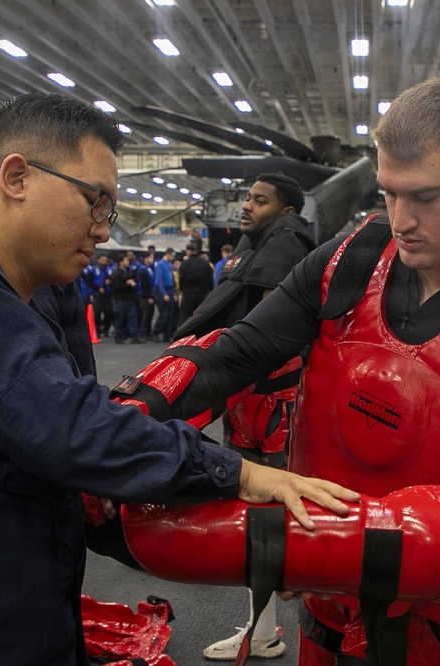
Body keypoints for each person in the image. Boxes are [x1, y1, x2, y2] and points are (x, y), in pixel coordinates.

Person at [112, 76, 440, 665]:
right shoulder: (345, 266)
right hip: (324, 590)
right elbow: (233, 356)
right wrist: (120, 423)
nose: (401, 219)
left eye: (424, 197)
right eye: (388, 193)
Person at [0, 92, 359, 666]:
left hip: (31, 618)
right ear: (16, 178)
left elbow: (83, 472)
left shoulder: (42, 299)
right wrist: (240, 474)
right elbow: (69, 430)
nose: (104, 231)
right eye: (96, 202)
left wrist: (276, 549)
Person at [174, 171, 316, 661]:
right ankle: (264, 630)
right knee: (257, 515)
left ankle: (271, 631)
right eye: (248, 199)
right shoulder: (259, 248)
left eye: (260, 200)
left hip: (273, 406)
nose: (247, 206)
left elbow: (269, 334)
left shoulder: (286, 248)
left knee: (273, 519)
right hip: (250, 403)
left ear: (287, 210)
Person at [176, 241, 214, 327]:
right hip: (202, 294)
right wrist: (209, 289)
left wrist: (182, 289)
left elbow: (181, 279)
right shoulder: (205, 263)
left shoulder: (185, 264)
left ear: (188, 251)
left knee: (185, 317)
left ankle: (184, 333)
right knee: (201, 316)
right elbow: (210, 279)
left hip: (188, 294)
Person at [109, 253, 141, 343]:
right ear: (120, 262)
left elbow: (134, 279)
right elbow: (118, 286)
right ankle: (118, 336)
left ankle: (134, 336)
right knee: (120, 318)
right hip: (120, 299)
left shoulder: (128, 270)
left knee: (132, 317)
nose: (128, 262)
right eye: (126, 260)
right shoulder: (116, 273)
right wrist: (128, 284)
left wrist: (131, 282)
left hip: (130, 298)